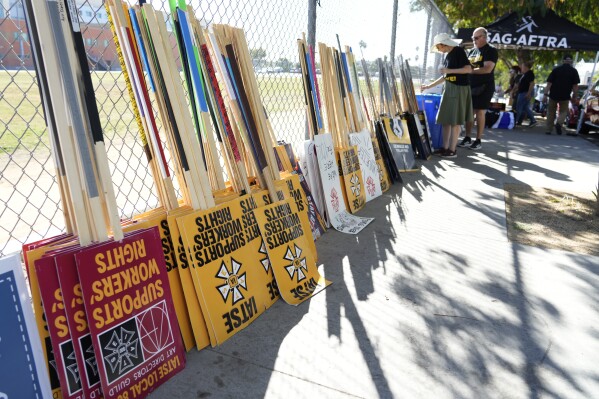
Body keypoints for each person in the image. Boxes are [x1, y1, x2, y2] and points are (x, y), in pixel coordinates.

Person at [421, 33, 473, 158]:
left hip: (459, 88)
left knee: (455, 121)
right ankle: (444, 148)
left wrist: (449, 71)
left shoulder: (458, 51)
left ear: (444, 44)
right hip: (449, 88)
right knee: (446, 120)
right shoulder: (448, 55)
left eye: (438, 47)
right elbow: (446, 76)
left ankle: (452, 150)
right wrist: (429, 86)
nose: (438, 50)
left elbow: (468, 69)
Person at [458, 27, 498, 150]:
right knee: (469, 113)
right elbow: (465, 67)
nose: (474, 40)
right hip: (470, 86)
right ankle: (467, 137)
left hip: (485, 86)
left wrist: (470, 71)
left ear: (484, 37)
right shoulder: (472, 51)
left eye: (476, 38)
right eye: (473, 38)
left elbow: (487, 69)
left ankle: (478, 140)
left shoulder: (491, 50)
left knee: (480, 112)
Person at [544, 54, 580, 135]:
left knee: (551, 112)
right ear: (571, 61)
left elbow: (549, 83)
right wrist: (575, 96)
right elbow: (575, 86)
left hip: (553, 94)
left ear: (563, 61)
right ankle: (559, 123)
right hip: (565, 95)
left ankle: (548, 129)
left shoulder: (556, 70)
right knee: (563, 111)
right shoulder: (574, 71)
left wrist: (545, 95)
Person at [515, 61, 538, 127]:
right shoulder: (525, 74)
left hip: (525, 92)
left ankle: (515, 121)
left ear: (525, 67)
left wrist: (529, 93)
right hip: (523, 92)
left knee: (519, 107)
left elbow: (532, 83)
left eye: (522, 66)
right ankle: (533, 120)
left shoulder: (529, 73)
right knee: (525, 107)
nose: (521, 68)